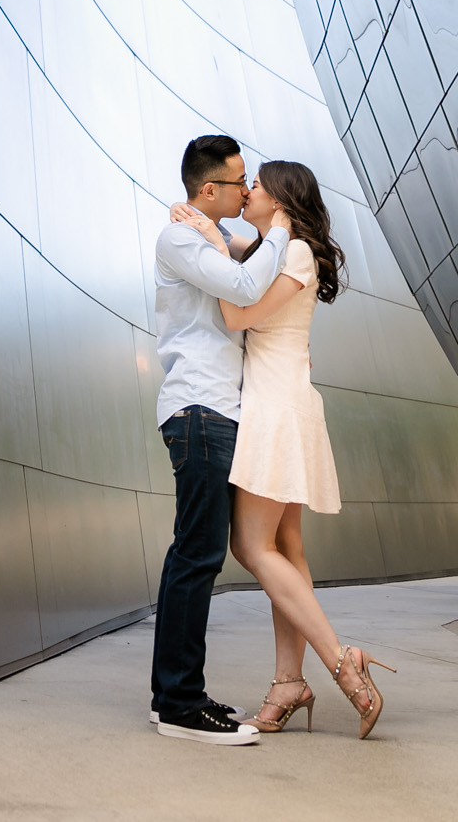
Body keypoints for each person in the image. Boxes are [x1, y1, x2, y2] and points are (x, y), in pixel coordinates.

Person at [170, 159, 395, 739]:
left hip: (276, 409)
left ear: (282, 200)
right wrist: (207, 228)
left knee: (249, 545)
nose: (248, 193)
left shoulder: (292, 252)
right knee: (287, 549)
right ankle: (287, 683)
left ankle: (343, 664)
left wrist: (211, 250)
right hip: (280, 403)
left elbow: (237, 312)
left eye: (258, 187)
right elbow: (246, 243)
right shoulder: (282, 245)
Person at [148, 135, 291, 745]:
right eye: (239, 182)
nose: (246, 189)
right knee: (197, 554)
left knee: (200, 552)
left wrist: (266, 233)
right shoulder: (181, 236)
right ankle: (178, 704)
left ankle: (179, 694)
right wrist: (283, 230)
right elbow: (242, 288)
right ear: (209, 189)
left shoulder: (207, 232)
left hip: (218, 413)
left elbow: (245, 255)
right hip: (200, 409)